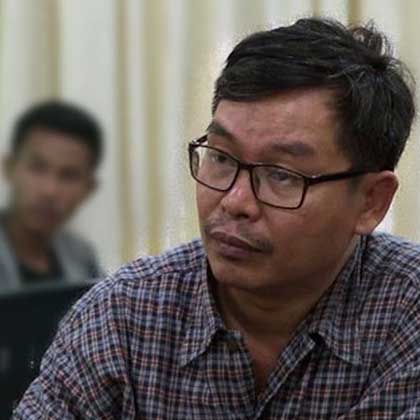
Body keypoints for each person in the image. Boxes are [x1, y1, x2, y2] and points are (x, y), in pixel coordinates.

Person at [14, 17, 420, 419]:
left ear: (371, 202)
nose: (235, 201)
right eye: (222, 158)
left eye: (281, 175)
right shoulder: (122, 317)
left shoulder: (407, 313)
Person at [0, 100, 103, 290]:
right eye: (37, 168)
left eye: (69, 175)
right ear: (9, 168)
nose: (50, 190)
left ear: (89, 189)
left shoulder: (83, 258)